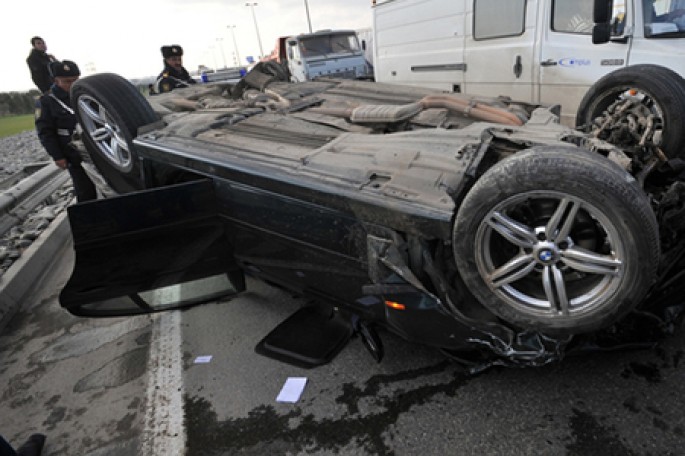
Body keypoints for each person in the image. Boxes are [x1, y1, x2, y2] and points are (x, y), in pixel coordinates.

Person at [35, 60, 97, 203]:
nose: (72, 85)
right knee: (85, 190)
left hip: (95, 147)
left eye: (75, 80)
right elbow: (45, 132)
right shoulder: (47, 101)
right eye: (67, 81)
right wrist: (58, 156)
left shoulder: (86, 94)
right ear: (56, 81)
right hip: (73, 153)